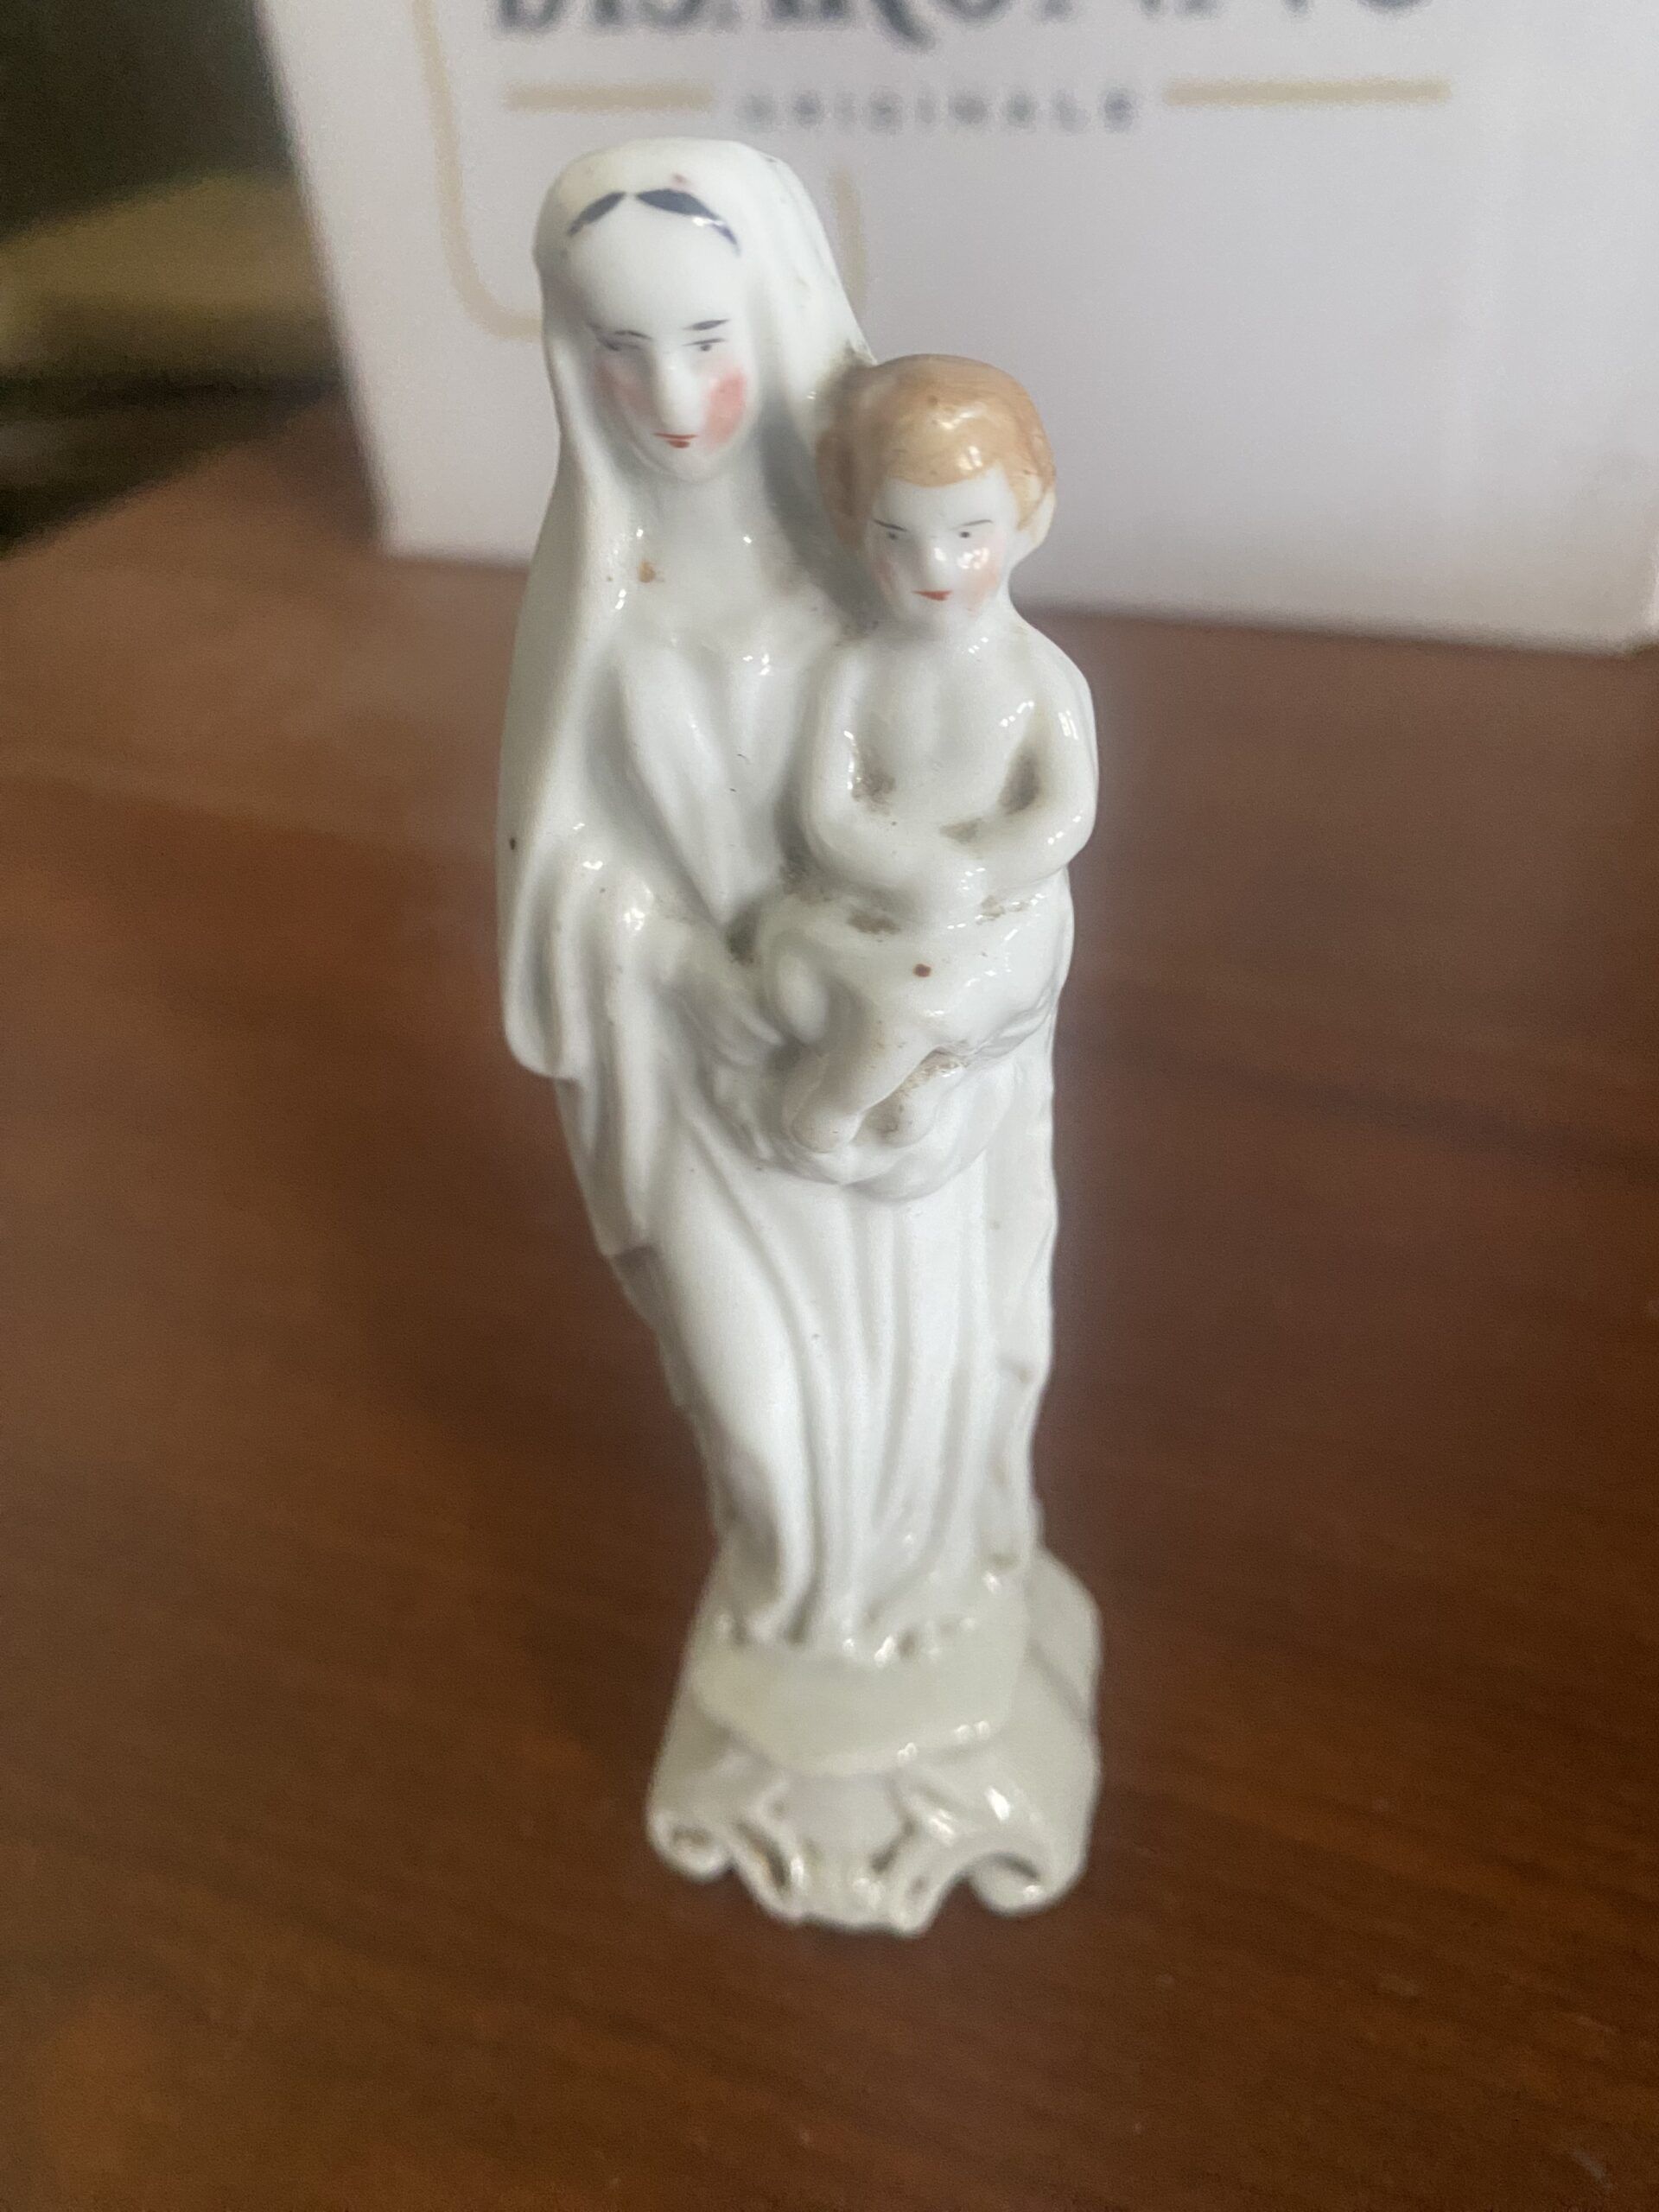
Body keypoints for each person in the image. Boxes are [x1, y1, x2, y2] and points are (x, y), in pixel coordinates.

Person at [499, 142, 1098, 1926]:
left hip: (902, 1124)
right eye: (618, 350)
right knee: (761, 1426)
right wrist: (694, 972)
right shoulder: (596, 597)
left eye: (707, 337)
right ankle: (803, 1628)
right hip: (705, 1092)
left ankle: (924, 1620)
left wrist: (949, 981)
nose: (672, 398)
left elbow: (1021, 850)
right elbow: (558, 880)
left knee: (926, 1383)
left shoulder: (883, 555)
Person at [757, 355, 1097, 1156]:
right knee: (809, 978)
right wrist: (905, 868)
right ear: (856, 528)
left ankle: (840, 1103)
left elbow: (1066, 810)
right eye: (896, 537)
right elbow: (828, 810)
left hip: (990, 924)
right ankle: (921, 1076)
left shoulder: (1037, 676)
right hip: (874, 905)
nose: (933, 566)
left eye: (968, 535)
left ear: (1029, 519)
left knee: (925, 997)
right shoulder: (853, 671)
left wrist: (981, 870)